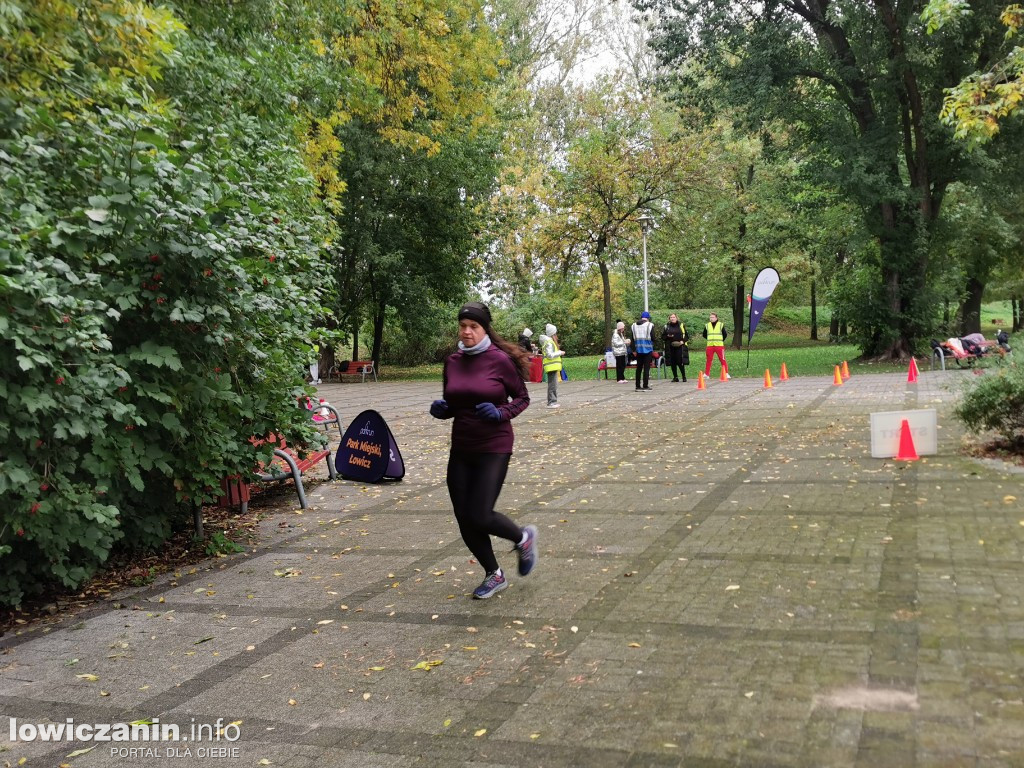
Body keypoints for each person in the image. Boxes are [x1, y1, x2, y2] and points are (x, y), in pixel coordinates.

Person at [428, 302, 539, 599]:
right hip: (461, 446)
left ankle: (522, 537)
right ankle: (494, 574)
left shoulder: (499, 360)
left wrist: (501, 413)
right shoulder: (452, 361)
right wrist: (443, 410)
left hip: (494, 445)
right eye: (463, 325)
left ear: (484, 329)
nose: (467, 331)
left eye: (473, 326)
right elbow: (454, 400)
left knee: (479, 513)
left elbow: (523, 398)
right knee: (464, 517)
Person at [538, 323, 565, 408]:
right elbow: (550, 355)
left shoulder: (548, 342)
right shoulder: (549, 342)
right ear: (553, 333)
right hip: (551, 366)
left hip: (552, 366)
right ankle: (551, 402)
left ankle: (552, 401)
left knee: (553, 384)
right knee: (552, 385)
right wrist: (560, 352)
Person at [631, 310, 655, 391]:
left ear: (641, 317)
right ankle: (645, 385)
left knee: (639, 368)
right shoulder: (650, 325)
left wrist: (633, 349)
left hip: (638, 350)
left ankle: (637, 385)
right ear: (648, 318)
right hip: (647, 350)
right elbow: (653, 337)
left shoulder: (633, 325)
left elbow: (632, 338)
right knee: (646, 368)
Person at [662, 313, 690, 382]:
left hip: (680, 346)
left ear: (676, 318)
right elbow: (663, 337)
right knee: (672, 362)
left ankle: (684, 376)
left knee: (680, 361)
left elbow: (686, 336)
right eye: (671, 317)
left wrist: (682, 341)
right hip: (670, 346)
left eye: (673, 317)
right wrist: (668, 336)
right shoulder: (666, 326)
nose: (672, 318)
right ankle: (675, 377)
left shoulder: (681, 325)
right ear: (669, 319)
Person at [702, 312, 730, 379]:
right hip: (710, 345)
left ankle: (726, 373)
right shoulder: (707, 325)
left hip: (719, 345)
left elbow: (725, 334)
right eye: (710, 317)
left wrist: (720, 340)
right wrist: (710, 339)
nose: (711, 318)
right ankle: (706, 374)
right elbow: (704, 335)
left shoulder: (720, 325)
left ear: (716, 318)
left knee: (722, 359)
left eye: (713, 317)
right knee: (708, 360)